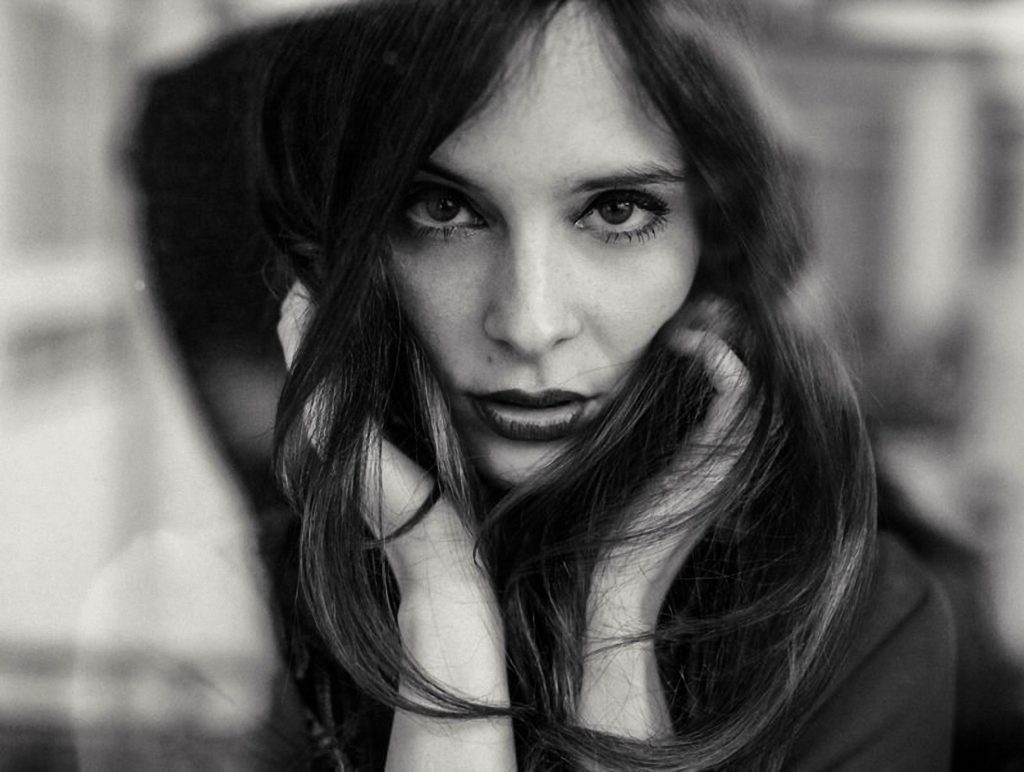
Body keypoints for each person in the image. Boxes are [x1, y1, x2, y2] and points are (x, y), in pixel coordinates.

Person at [255, 0, 955, 768]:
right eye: (443, 208)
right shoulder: (283, 591)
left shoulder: (856, 627)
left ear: (716, 253)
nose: (530, 324)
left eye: (617, 211)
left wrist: (619, 613)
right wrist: (440, 593)